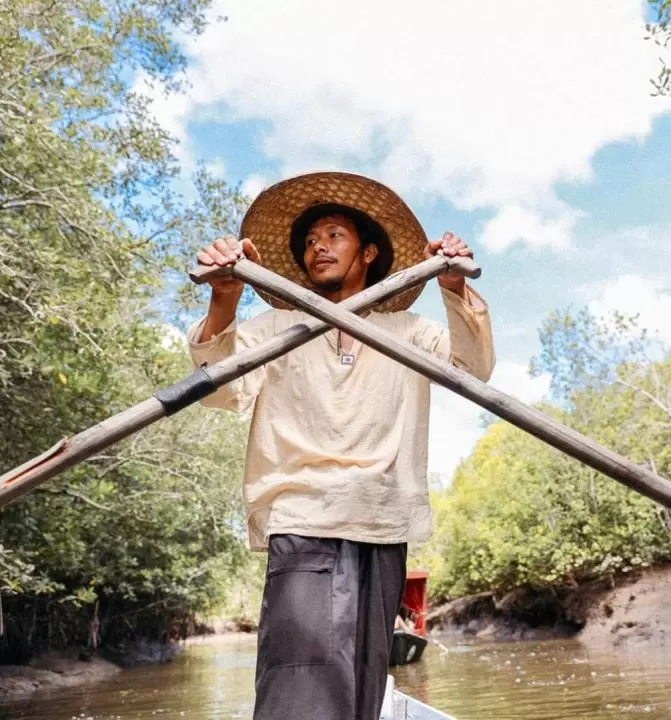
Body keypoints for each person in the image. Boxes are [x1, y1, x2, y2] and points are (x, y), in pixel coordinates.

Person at [185, 171, 495, 720]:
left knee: (362, 691)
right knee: (300, 691)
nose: (318, 247)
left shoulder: (408, 331)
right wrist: (224, 299)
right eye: (309, 241)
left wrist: (454, 289)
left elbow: (473, 368)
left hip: (383, 521)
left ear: (369, 252)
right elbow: (222, 388)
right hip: (305, 518)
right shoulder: (277, 328)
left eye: (333, 235)